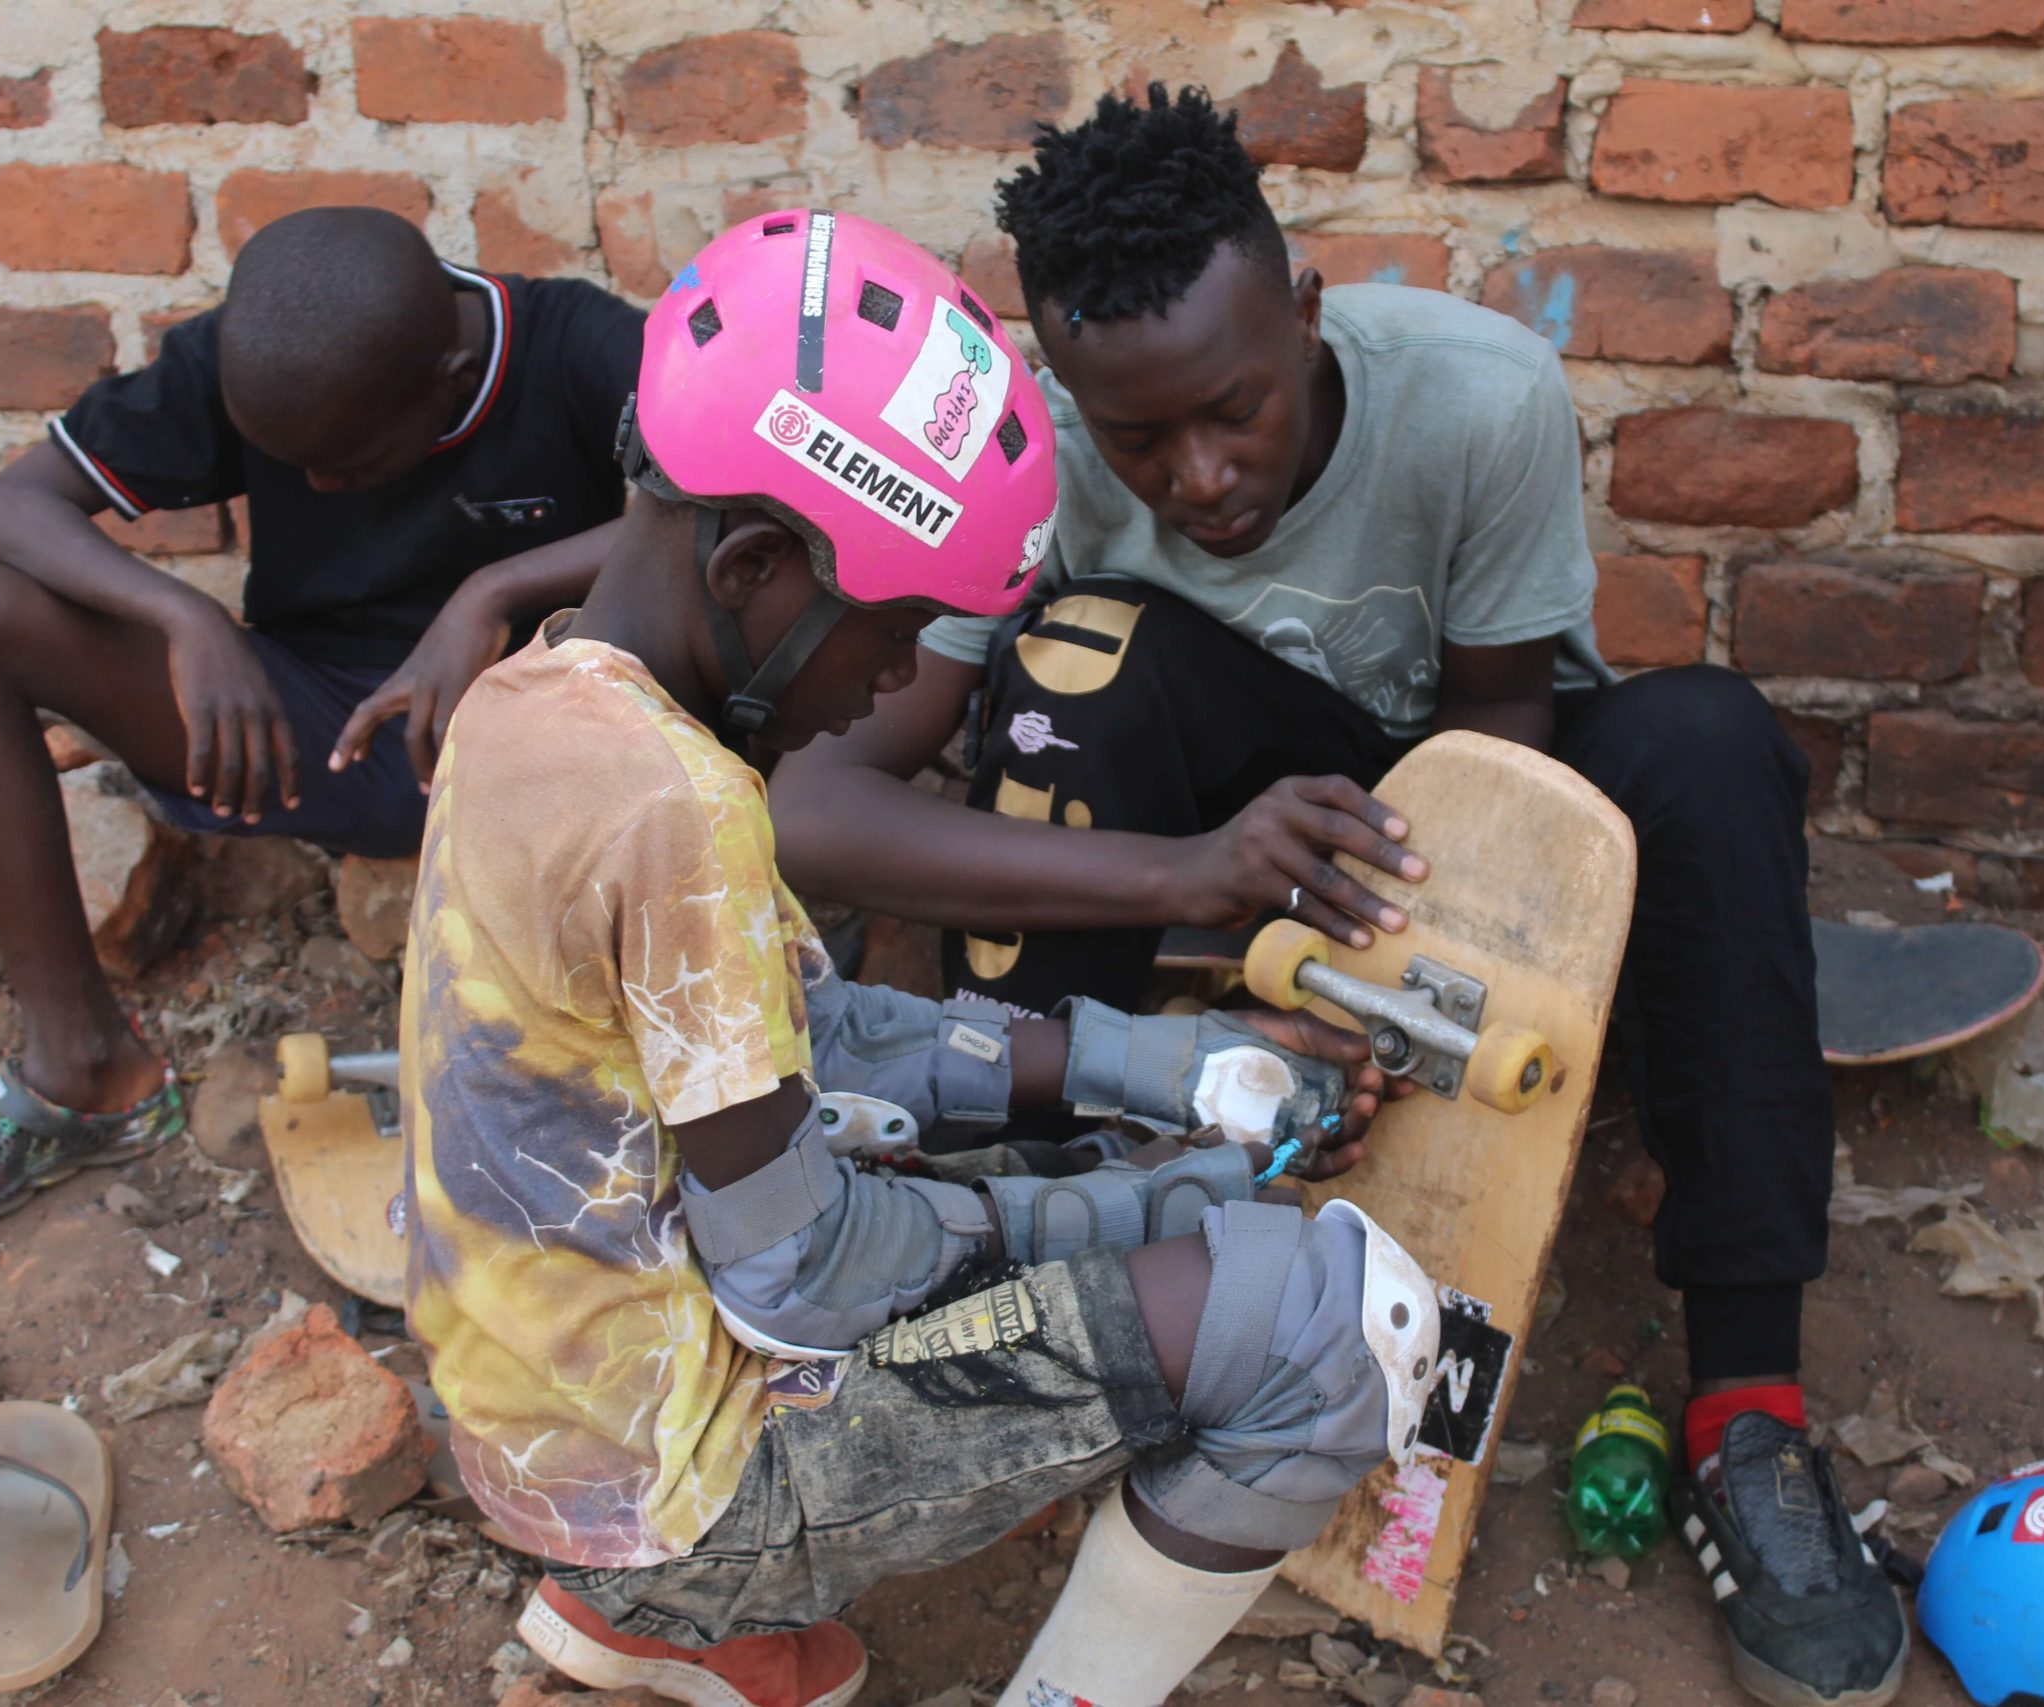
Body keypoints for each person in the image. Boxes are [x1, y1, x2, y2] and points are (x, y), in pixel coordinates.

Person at [767, 91, 1904, 1707]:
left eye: (1234, 409)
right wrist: (1192, 870)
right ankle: (1085, 1278)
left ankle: (1751, 1414)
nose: (1202, 473)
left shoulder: (1475, 395)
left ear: (1303, 313)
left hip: (1452, 780)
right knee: (1081, 650)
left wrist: (1377, 960)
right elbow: (816, 807)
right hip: (1218, 797)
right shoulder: (1039, 455)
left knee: (1713, 738)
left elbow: (1499, 733)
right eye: (1138, 436)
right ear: (1074, 392)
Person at [405, 210, 1440, 1707]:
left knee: (1111, 1192)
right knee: (1331, 1319)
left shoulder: (549, 703)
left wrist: (1146, 1062)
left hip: (565, 1419)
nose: (901, 683)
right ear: (762, 564)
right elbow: (806, 1268)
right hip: (690, 1480)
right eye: (894, 633)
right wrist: (1139, 1194)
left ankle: (680, 1623)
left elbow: (803, 1043)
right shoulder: (679, 805)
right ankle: (700, 1600)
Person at [0, 206, 643, 1246]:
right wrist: (182, 615)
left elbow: (724, 508)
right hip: (307, 723)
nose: (317, 488)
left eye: (350, 468)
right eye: (289, 465)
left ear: (451, 380)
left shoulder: (578, 345)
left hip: (545, 746)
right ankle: (82, 1073)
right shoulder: (256, 357)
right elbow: (9, 508)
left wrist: (490, 595)